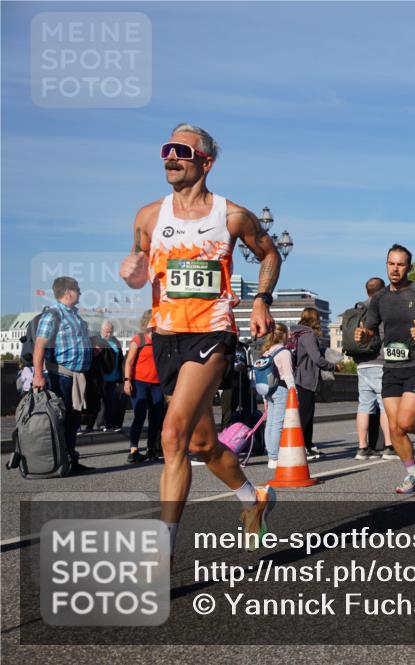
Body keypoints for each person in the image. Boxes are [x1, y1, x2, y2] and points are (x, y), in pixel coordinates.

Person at [119, 123, 279, 552]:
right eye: (166, 150)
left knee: (172, 435)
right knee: (203, 443)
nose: (170, 157)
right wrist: (133, 272)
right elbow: (138, 265)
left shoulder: (231, 216)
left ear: (206, 162)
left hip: (211, 332)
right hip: (166, 336)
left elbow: (269, 253)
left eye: (181, 151)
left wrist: (262, 298)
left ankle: (162, 550)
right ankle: (254, 499)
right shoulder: (149, 216)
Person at [355, 244, 415, 493]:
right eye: (391, 263)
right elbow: (371, 331)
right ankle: (413, 475)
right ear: (386, 265)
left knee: (406, 422)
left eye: (400, 264)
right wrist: (363, 335)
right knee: (395, 427)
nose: (395, 269)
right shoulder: (380, 298)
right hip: (391, 367)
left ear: (409, 267)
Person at [30, 276, 93, 474]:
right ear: (68, 292)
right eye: (78, 290)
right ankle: (59, 463)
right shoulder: (54, 315)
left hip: (76, 377)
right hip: (61, 376)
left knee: (73, 421)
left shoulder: (75, 315)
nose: (80, 293)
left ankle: (70, 460)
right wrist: (38, 375)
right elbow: (39, 346)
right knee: (61, 420)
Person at [350, 279, 393, 460]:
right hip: (379, 362)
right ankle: (389, 447)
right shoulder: (381, 308)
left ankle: (362, 447)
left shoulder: (358, 308)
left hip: (362, 363)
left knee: (364, 406)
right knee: (385, 406)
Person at [290, 306, 340, 460]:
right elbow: (317, 359)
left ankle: (308, 445)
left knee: (305, 414)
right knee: (306, 415)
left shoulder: (297, 334)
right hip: (306, 379)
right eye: (318, 318)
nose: (320, 321)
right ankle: (304, 447)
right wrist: (333, 366)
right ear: (314, 319)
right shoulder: (309, 335)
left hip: (299, 377)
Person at [124, 309, 164, 463]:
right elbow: (129, 362)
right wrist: (127, 380)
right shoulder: (139, 339)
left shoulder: (161, 341)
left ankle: (151, 448)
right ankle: (133, 449)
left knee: (155, 417)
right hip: (139, 382)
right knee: (140, 415)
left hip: (157, 384)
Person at [259, 324, 296, 469]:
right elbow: (287, 374)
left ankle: (271, 455)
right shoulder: (284, 352)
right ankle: (274, 457)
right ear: (284, 335)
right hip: (281, 388)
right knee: (278, 424)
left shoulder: (267, 352)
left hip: (268, 390)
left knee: (270, 423)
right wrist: (294, 392)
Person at [98, 321, 125, 432]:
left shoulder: (115, 341)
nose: (108, 334)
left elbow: (121, 358)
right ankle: (104, 424)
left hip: (115, 377)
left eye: (110, 332)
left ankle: (113, 423)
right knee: (106, 402)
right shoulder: (99, 342)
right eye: (106, 332)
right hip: (104, 377)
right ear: (101, 331)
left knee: (114, 401)